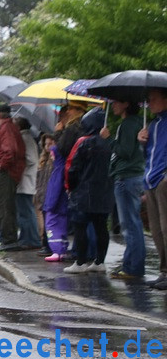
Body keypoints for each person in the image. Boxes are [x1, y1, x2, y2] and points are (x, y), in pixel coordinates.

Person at [63, 108, 113, 273]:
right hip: (104, 192)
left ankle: (80, 262)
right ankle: (99, 262)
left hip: (83, 192)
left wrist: (70, 187)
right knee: (101, 227)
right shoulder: (110, 143)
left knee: (80, 227)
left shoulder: (83, 142)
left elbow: (72, 167)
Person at [101, 99, 145, 280]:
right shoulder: (135, 123)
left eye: (117, 102)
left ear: (127, 104)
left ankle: (133, 268)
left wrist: (109, 139)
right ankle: (131, 264)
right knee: (133, 224)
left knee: (130, 225)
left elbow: (125, 151)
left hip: (126, 177)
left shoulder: (127, 124)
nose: (114, 106)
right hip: (133, 177)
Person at [139, 87, 167, 289]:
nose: (149, 104)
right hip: (151, 179)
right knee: (156, 230)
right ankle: (164, 271)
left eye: (153, 99)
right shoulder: (153, 124)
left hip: (163, 180)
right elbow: (148, 154)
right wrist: (142, 141)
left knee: (166, 228)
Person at [0, 103, 25, 251]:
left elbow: (10, 151)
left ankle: (9, 239)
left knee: (5, 206)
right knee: (4, 205)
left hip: (6, 172)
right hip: (5, 171)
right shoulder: (5, 128)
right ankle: (7, 238)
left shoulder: (6, 128)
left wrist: (0, 166)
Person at [15, 117, 40, 249]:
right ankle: (27, 238)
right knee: (25, 211)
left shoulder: (25, 139)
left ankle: (31, 240)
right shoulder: (27, 138)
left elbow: (30, 159)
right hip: (26, 180)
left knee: (26, 212)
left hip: (25, 180)